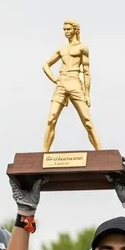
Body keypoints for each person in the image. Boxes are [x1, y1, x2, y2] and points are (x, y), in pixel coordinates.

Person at [42, 20, 100, 153]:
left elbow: (86, 72)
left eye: (68, 29)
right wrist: (54, 80)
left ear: (75, 30)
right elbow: (46, 65)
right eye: (64, 30)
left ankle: (100, 152)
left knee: (87, 120)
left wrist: (87, 94)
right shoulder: (62, 49)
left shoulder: (82, 48)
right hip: (61, 83)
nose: (66, 32)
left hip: (74, 82)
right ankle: (44, 154)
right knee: (51, 118)